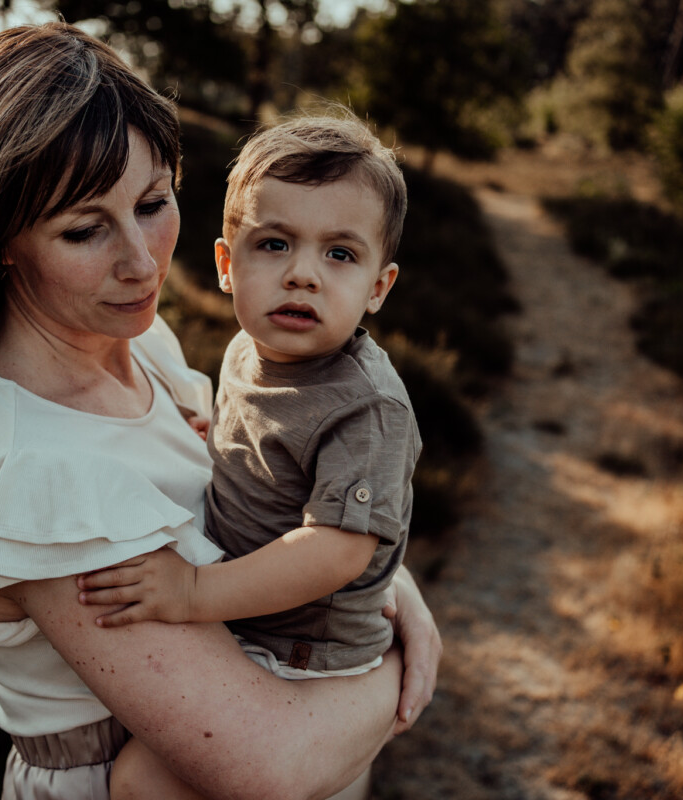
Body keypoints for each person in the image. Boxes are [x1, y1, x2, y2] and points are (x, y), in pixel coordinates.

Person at [0, 21, 441, 800]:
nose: (141, 264)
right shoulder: (32, 470)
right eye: (83, 230)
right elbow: (270, 765)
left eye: (153, 203)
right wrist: (403, 665)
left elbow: (280, 502)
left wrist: (386, 585)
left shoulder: (138, 341)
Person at [74, 113, 420, 799]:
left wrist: (192, 593)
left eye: (340, 255)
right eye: (274, 244)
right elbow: (269, 445)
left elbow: (337, 551)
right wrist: (216, 437)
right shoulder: (247, 351)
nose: (302, 275)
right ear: (227, 266)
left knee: (143, 781)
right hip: (251, 626)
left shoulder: (366, 409)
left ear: (379, 288)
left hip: (307, 655)